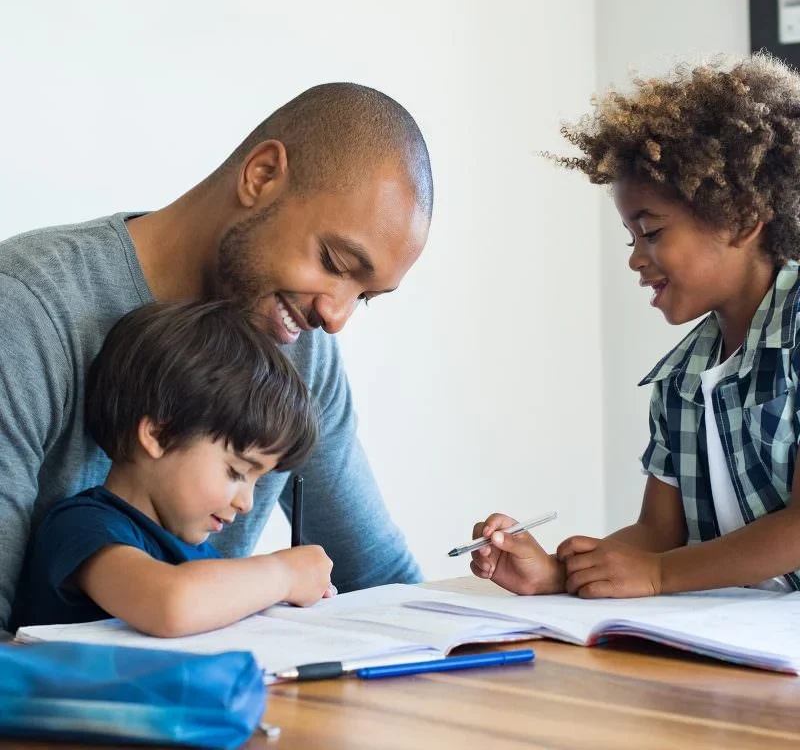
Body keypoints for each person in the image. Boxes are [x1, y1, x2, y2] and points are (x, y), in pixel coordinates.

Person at [0, 82, 433, 634]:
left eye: (365, 296)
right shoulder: (26, 309)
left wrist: (532, 593)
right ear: (261, 176)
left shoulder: (303, 350)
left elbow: (384, 581)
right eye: (334, 260)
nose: (336, 316)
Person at [472, 54, 800, 598]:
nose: (635, 259)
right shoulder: (681, 380)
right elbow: (658, 533)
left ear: (741, 219)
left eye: (651, 233)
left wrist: (661, 575)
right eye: (631, 238)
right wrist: (558, 573)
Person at [14, 301, 335, 635]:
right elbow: (170, 605)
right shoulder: (83, 528)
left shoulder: (200, 558)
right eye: (237, 472)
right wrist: (282, 574)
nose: (247, 503)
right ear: (159, 435)